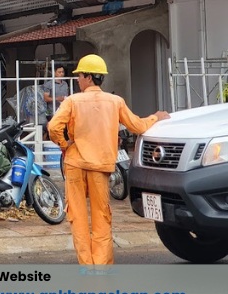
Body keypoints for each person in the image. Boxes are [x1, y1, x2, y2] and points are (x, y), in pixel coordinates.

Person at [47, 54, 170, 265]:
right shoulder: (115, 102)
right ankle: (101, 268)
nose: (77, 79)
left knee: (78, 218)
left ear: (88, 77)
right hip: (100, 166)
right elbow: (137, 126)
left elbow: (53, 127)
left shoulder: (72, 101)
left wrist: (65, 145)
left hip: (75, 164)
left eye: (80, 75)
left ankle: (87, 266)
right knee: (101, 217)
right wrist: (155, 117)